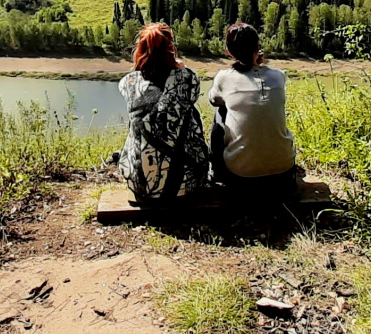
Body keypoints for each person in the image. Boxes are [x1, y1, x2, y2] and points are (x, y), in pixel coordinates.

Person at [118, 23, 210, 203]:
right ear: (171, 48)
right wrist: (181, 69)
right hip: (184, 184)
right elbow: (190, 98)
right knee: (191, 112)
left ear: (140, 50)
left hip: (140, 184)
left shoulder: (127, 82)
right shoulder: (188, 77)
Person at [209, 22, 297, 198]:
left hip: (241, 179)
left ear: (228, 51)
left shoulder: (224, 78)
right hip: (284, 176)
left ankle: (216, 171)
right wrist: (256, 64)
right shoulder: (279, 76)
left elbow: (213, 100)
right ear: (257, 48)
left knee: (221, 111)